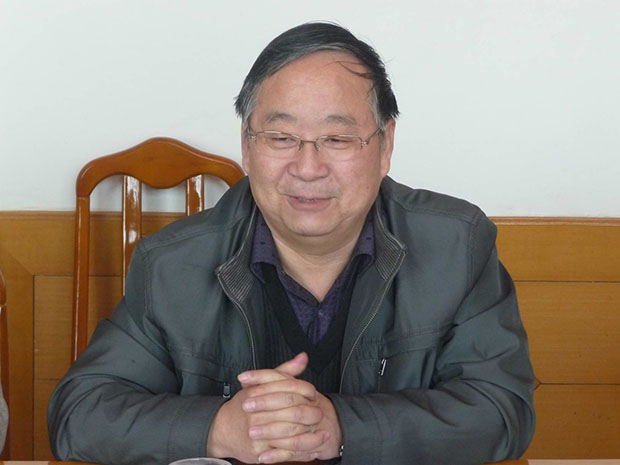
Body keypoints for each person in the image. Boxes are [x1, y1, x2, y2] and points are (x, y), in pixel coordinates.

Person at [48, 22, 535, 465]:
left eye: (337, 139)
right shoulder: (172, 264)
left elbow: (502, 409)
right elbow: (79, 415)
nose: (307, 168)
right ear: (247, 145)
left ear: (385, 145)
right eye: (280, 137)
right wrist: (220, 429)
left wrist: (339, 428)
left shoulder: (456, 244)